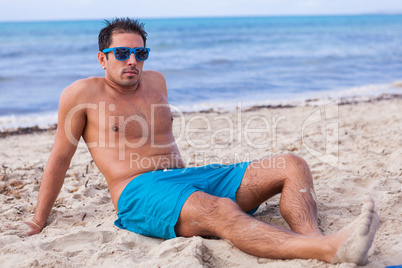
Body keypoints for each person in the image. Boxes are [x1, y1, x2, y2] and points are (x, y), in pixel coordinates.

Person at [23, 18, 378, 265]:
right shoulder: (81, 94)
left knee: (291, 164)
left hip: (188, 179)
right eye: (122, 54)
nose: (133, 61)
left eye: (141, 54)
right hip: (137, 191)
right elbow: (59, 158)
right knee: (221, 210)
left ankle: (316, 240)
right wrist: (39, 220)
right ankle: (328, 250)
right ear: (102, 57)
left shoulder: (157, 82)